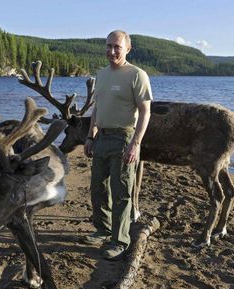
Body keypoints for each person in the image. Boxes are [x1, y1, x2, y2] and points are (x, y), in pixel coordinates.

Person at [82, 30, 153, 260]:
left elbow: (145, 112)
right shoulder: (101, 75)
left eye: (117, 47)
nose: (112, 51)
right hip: (101, 137)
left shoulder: (137, 75)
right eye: (109, 46)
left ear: (127, 49)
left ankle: (120, 240)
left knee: (121, 191)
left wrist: (135, 144)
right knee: (98, 187)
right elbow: (97, 109)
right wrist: (90, 136)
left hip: (124, 138)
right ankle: (102, 229)